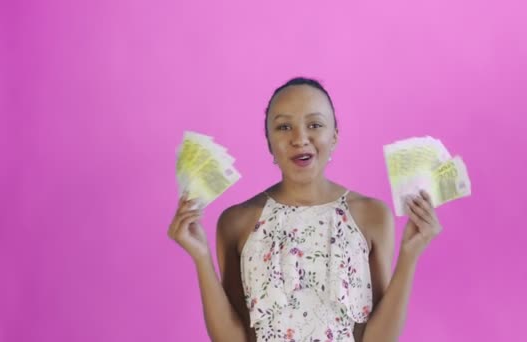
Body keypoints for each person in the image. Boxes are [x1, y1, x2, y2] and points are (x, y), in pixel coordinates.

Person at [168, 77, 443, 342]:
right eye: (284, 127)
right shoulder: (236, 221)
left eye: (314, 124)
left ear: (334, 136)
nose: (300, 138)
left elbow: (376, 338)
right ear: (269, 143)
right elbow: (234, 338)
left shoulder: (372, 216)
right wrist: (201, 257)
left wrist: (410, 255)